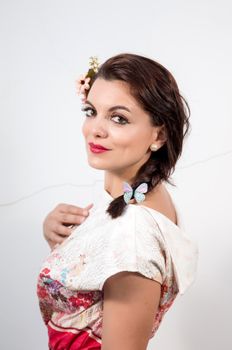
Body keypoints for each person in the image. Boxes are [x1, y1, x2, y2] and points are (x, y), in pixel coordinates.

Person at [37, 53, 198, 350]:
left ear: (159, 135)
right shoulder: (138, 193)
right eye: (91, 111)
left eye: (118, 118)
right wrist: (60, 240)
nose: (94, 129)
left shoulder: (132, 240)